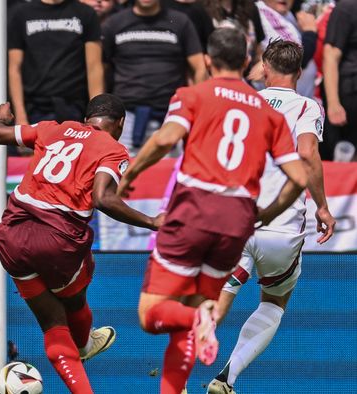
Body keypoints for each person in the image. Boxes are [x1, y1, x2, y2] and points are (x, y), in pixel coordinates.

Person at [117, 28, 307, 394]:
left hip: (193, 211)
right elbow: (299, 176)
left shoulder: (193, 94)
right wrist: (267, 212)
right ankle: (199, 326)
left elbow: (167, 138)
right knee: (197, 318)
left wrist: (132, 174)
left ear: (207, 60)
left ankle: (198, 316)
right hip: (236, 222)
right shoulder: (267, 114)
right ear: (248, 62)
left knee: (150, 315)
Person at [0, 94, 164, 393]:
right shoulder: (112, 148)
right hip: (57, 241)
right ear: (120, 123)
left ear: (86, 117)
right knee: (74, 300)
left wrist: (2, 118)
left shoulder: (53, 128)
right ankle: (83, 344)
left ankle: (81, 354)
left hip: (11, 235)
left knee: (52, 322)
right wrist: (152, 222)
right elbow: (103, 198)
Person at [207, 39, 336, 394]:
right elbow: (308, 154)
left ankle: (179, 370)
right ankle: (225, 379)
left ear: (264, 68)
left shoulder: (240, 102)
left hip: (235, 221)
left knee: (216, 299)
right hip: (280, 225)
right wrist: (322, 206)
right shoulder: (307, 106)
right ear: (299, 72)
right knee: (275, 302)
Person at [101, 0, 206, 156]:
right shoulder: (114, 23)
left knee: (166, 176)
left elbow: (199, 67)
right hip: (126, 119)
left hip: (170, 117)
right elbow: (100, 69)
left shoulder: (180, 21)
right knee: (124, 176)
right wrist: (100, 110)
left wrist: (197, 110)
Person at [8, 0, 105, 129]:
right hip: (34, 108)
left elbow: (94, 67)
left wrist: (97, 114)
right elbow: (14, 68)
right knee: (34, 150)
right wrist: (20, 116)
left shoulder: (86, 13)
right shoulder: (22, 13)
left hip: (74, 107)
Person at [321, 0, 357, 161]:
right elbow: (330, 55)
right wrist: (334, 103)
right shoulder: (347, 8)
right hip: (348, 96)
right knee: (342, 160)